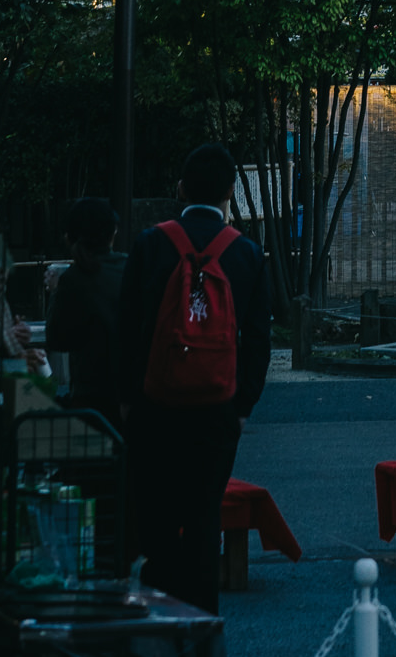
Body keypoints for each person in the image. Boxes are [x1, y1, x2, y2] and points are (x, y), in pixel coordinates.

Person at [116, 140, 272, 613]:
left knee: (157, 519)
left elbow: (126, 330)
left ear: (181, 188)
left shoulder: (149, 244)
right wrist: (242, 406)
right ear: (230, 191)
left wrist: (129, 399)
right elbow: (259, 342)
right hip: (217, 408)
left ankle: (158, 622)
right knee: (204, 517)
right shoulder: (246, 254)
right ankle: (202, 627)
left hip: (155, 406)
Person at [46, 196, 125, 422]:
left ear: (69, 238)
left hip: (91, 398)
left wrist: (55, 291)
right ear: (114, 232)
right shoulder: (131, 268)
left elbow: (57, 339)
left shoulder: (73, 279)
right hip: (133, 392)